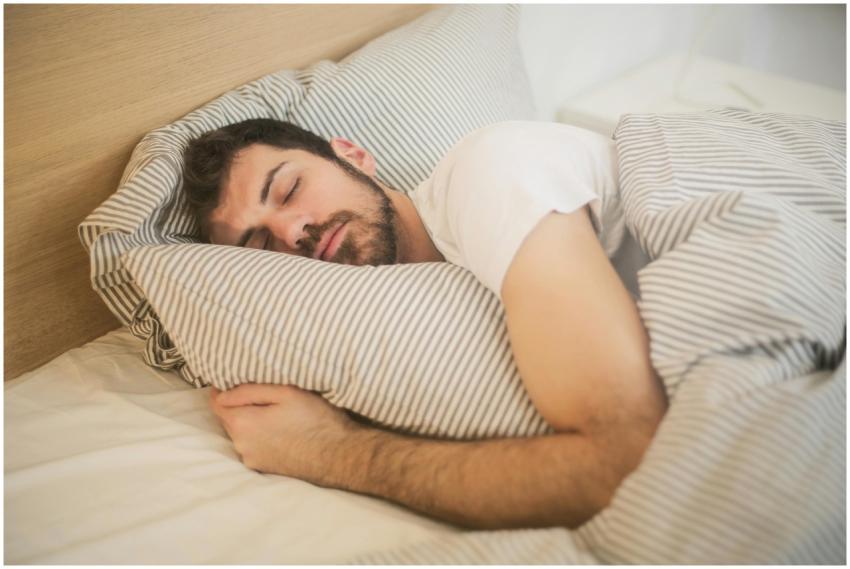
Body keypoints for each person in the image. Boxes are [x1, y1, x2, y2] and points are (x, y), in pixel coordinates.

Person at [182, 118, 668, 530]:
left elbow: (628, 463)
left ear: (352, 156)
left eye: (289, 189)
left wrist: (328, 450)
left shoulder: (490, 174)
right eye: (261, 245)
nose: (291, 232)